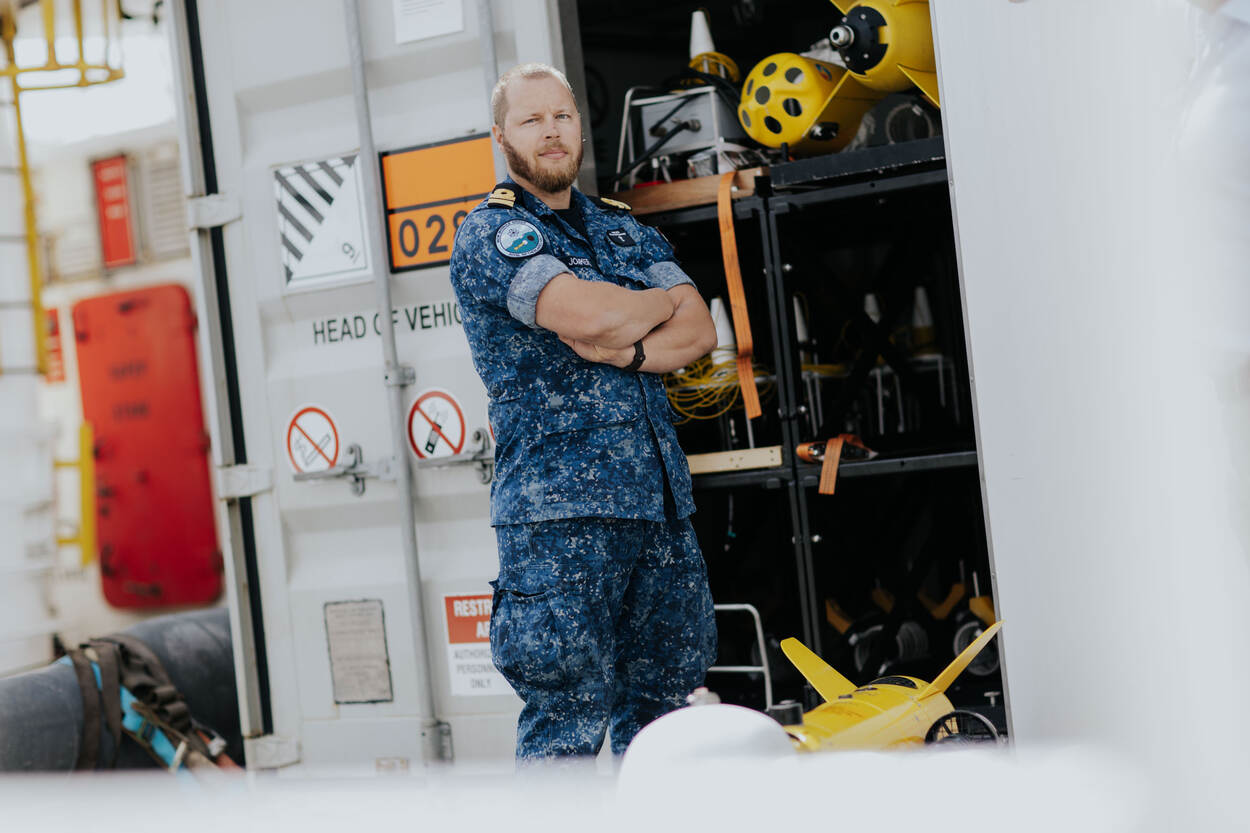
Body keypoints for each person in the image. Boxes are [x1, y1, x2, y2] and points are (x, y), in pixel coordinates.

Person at [448, 62, 719, 763]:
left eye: (562, 116)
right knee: (565, 722)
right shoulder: (493, 235)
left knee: (665, 720)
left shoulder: (620, 229)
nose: (551, 132)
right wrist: (638, 308)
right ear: (500, 138)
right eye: (532, 120)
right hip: (559, 521)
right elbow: (591, 310)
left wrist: (625, 346)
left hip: (658, 510)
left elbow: (698, 330)